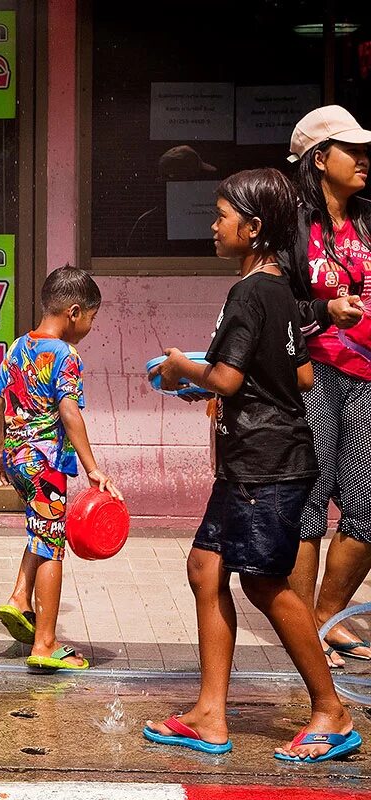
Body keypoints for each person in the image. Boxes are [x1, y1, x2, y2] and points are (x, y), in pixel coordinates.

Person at [145, 168, 359, 763]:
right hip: (260, 457)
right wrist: (216, 383)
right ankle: (210, 714)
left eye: (220, 216)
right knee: (205, 568)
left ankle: (331, 711)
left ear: (254, 227)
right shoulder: (280, 292)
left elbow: (228, 377)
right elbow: (293, 375)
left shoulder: (249, 293)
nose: (212, 226)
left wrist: (179, 369)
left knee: (265, 582)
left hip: (266, 463)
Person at [0, 264, 119, 672]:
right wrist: (93, 467)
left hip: (17, 460)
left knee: (43, 529)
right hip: (45, 465)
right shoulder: (65, 355)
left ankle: (19, 598)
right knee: (53, 548)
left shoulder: (17, 346)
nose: (90, 328)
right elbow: (68, 410)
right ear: (75, 312)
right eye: (92, 319)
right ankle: (44, 643)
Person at [279, 106, 371, 669]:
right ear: (319, 159)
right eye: (351, 150)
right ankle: (304, 630)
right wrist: (323, 308)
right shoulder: (292, 225)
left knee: (366, 510)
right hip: (310, 378)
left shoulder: (369, 220)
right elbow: (273, 303)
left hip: (367, 380)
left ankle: (323, 618)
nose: (363, 160)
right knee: (311, 506)